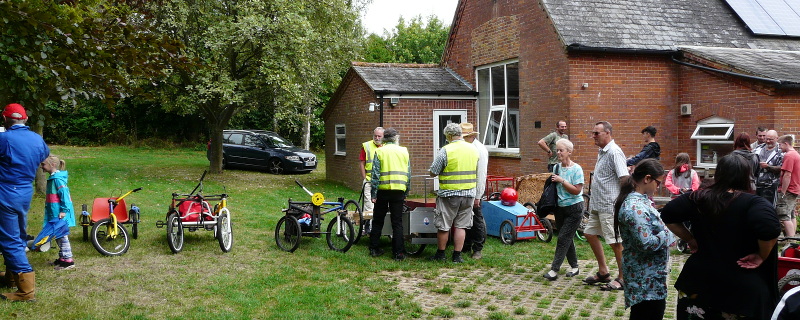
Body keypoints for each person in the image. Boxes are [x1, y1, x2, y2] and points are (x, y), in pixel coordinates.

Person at [662, 154, 781, 319]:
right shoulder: (754, 203)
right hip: (740, 284)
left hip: (699, 281)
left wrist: (690, 238)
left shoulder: (698, 198)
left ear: (718, 174)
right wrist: (762, 255)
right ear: (746, 176)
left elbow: (668, 214)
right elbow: (770, 229)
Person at [0, 103, 49, 302]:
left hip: (6, 192)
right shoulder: (37, 139)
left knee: (9, 239)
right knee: (18, 234)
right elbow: (43, 155)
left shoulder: (4, 139)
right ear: (26, 119)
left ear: (4, 119)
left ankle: (26, 291)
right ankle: (12, 278)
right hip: (24, 192)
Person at [613, 159, 673, 319]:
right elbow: (645, 242)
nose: (658, 187)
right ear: (647, 179)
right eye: (658, 182)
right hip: (645, 281)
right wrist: (668, 234)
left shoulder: (641, 201)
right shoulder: (635, 207)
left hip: (650, 278)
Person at [583, 121, 629, 291]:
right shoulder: (602, 151)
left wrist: (622, 202)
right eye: (593, 133)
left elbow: (624, 178)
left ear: (608, 133)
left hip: (610, 205)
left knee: (615, 242)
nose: (593, 136)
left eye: (597, 133)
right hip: (597, 203)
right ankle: (603, 272)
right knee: (589, 233)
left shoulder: (615, 152)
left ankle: (623, 278)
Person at [428, 122, 479, 263]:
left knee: (444, 225)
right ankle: (457, 256)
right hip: (469, 193)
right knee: (461, 225)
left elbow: (433, 171)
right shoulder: (473, 149)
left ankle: (441, 254)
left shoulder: (446, 150)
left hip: (449, 195)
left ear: (449, 136)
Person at [543, 139, 584, 281]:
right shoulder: (556, 168)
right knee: (567, 237)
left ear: (569, 152)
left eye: (561, 150)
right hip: (560, 208)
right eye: (557, 150)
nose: (558, 152)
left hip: (575, 209)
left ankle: (554, 269)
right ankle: (575, 266)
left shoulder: (577, 169)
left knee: (562, 238)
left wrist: (562, 181)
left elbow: (577, 191)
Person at [368, 128, 410, 261]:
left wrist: (373, 193)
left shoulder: (379, 151)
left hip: (383, 190)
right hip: (399, 190)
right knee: (397, 222)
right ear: (396, 138)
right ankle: (398, 252)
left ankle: (374, 248)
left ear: (384, 138)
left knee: (378, 220)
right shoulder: (404, 151)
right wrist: (406, 191)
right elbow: (409, 174)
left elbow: (375, 175)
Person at [41, 155, 76, 270]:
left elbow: (65, 196)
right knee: (57, 236)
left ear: (53, 165)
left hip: (60, 214)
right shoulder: (53, 178)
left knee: (62, 236)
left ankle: (68, 261)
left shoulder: (57, 179)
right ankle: (62, 259)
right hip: (54, 213)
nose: (42, 166)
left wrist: (63, 211)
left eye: (43, 164)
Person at [460, 123, 489, 260]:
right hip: (466, 190)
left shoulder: (479, 150)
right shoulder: (468, 148)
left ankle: (478, 248)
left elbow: (481, 174)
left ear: (471, 136)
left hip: (474, 191)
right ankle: (466, 245)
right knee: (465, 219)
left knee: (476, 219)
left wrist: (478, 195)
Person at [777, 135, 799, 237]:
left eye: (780, 145)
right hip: (795, 189)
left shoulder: (789, 155)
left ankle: (790, 241)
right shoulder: (796, 154)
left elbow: (787, 174)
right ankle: (793, 241)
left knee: (784, 215)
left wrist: (783, 192)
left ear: (786, 143)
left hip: (788, 190)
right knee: (791, 215)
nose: (779, 147)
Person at [754, 130, 784, 205]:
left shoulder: (781, 151)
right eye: (766, 139)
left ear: (777, 138)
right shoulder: (758, 148)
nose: (767, 141)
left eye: (770, 139)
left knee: (769, 208)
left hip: (772, 186)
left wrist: (768, 167)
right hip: (757, 185)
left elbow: (783, 168)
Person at [360, 127, 384, 214]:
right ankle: (367, 226)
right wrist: (364, 178)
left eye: (379, 136)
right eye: (375, 136)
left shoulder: (387, 147)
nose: (377, 138)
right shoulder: (367, 146)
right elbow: (362, 163)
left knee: (381, 205)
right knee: (369, 206)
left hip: (382, 181)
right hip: (369, 180)